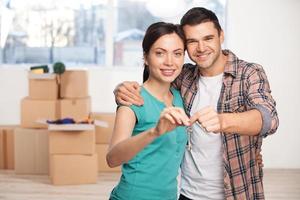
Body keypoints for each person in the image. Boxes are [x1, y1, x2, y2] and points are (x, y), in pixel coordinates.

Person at [113, 7, 279, 200]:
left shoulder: (249, 73)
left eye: (208, 38)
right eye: (192, 41)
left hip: (236, 192)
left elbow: (269, 119)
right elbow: (153, 85)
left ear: (221, 36)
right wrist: (121, 88)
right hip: (186, 194)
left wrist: (223, 121)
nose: (201, 48)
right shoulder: (183, 77)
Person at [106, 22, 190, 200]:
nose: (169, 62)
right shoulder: (132, 100)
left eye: (177, 54)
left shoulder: (179, 97)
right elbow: (112, 159)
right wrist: (154, 132)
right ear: (146, 57)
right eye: (160, 53)